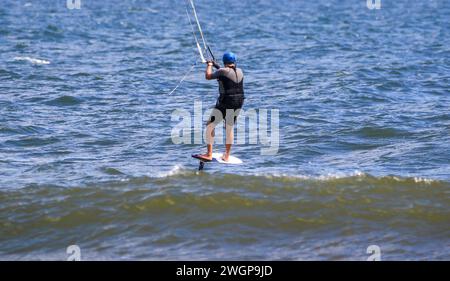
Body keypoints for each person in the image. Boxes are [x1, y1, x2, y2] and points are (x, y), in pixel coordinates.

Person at [192, 52, 245, 162]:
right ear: (234, 61)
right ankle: (227, 156)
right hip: (239, 101)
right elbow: (227, 73)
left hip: (226, 102)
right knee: (229, 128)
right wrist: (217, 66)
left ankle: (209, 154)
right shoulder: (240, 71)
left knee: (210, 125)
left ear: (224, 61)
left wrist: (210, 65)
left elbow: (208, 76)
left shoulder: (222, 71)